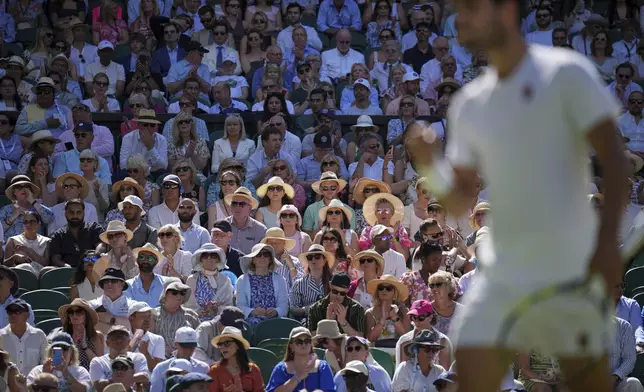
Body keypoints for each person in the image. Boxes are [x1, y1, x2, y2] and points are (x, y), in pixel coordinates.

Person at [265, 327, 335, 392]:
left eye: (307, 341)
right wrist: (297, 377)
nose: (303, 344)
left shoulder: (322, 367)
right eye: (299, 342)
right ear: (291, 346)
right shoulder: (281, 368)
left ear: (311, 344)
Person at [236, 244, 289, 327]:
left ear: (270, 260)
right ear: (253, 260)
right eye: (258, 255)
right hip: (251, 322)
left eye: (266, 255)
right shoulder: (242, 280)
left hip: (275, 320)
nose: (262, 257)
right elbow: (240, 305)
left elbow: (284, 304)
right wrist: (252, 311)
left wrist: (276, 311)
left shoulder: (280, 279)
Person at [88, 326, 149, 392]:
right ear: (107, 343)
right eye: (114, 337)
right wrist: (126, 378)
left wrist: (117, 379)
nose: (118, 340)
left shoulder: (138, 357)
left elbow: (143, 379)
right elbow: (98, 385)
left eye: (122, 337)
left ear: (128, 341)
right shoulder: (97, 361)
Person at [395, 299, 452, 370]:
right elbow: (401, 372)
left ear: (430, 317)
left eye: (421, 318)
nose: (416, 321)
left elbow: (445, 373)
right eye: (413, 317)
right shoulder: (404, 341)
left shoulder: (443, 340)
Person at [149, 327, 210, 392]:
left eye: (193, 345)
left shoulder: (203, 367)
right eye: (185, 346)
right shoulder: (160, 368)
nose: (190, 349)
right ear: (175, 344)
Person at [27, 331, 92, 391]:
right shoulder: (38, 370)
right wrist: (44, 375)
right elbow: (27, 389)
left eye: (65, 348)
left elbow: (84, 390)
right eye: (56, 348)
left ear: (72, 352)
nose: (61, 352)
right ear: (51, 351)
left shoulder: (80, 371)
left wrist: (66, 374)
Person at [150, 281, 201, 356]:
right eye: (174, 292)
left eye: (182, 293)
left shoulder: (191, 315)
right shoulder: (153, 314)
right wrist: (163, 348)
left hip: (187, 357)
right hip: (160, 357)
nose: (179, 296)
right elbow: (149, 339)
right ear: (165, 295)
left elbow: (199, 339)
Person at [185, 243, 234, 320]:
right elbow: (188, 306)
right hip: (196, 319)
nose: (209, 258)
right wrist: (203, 311)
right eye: (205, 256)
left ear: (218, 259)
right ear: (201, 260)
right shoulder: (192, 279)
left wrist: (216, 309)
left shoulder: (225, 281)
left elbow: (229, 305)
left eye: (213, 256)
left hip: (219, 320)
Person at [50, 199, 102, 268]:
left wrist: (95, 255)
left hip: (91, 266)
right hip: (68, 272)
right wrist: (67, 267)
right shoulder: (58, 234)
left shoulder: (94, 228)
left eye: (78, 212)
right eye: (71, 212)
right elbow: (55, 258)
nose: (75, 216)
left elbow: (101, 245)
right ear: (65, 214)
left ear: (83, 213)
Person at [0, 299, 48, 375]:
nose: (13, 315)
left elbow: (45, 363)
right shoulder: (1, 336)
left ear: (27, 316)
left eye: (17, 312)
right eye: (10, 312)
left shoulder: (39, 335)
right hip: (7, 385)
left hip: (32, 384)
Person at [208, 326, 264, 391]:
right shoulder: (214, 371)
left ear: (238, 345)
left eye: (227, 343)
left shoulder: (253, 369)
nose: (222, 347)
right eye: (220, 344)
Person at [360, 193, 410, 262]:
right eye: (379, 210)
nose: (383, 213)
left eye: (387, 210)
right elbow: (366, 257)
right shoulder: (367, 231)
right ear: (375, 214)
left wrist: (392, 236)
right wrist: (377, 235)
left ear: (392, 213)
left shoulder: (400, 230)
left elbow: (405, 257)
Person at [58, 298, 105, 370]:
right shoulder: (62, 336)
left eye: (78, 312)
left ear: (86, 316)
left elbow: (100, 365)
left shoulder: (96, 336)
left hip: (90, 377)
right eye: (70, 312)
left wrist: (85, 346)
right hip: (68, 375)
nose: (74, 315)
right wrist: (73, 344)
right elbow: (58, 364)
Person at [289, 244, 334, 320]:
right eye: (310, 258)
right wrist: (307, 309)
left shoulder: (333, 281)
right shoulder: (299, 283)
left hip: (330, 320)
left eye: (317, 257)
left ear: (324, 260)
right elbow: (293, 309)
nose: (313, 260)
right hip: (306, 322)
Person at [365, 274, 410, 342]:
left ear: (395, 293)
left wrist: (394, 318)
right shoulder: (370, 313)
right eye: (381, 288)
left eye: (389, 288)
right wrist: (382, 319)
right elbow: (371, 338)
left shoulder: (404, 312)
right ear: (377, 291)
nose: (384, 290)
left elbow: (405, 337)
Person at [124, 243, 171, 308]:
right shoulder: (128, 285)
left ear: (156, 262)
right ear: (137, 260)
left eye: (150, 258)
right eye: (142, 257)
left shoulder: (166, 283)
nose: (145, 261)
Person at [224, 187, 267, 254]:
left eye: (242, 204)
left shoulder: (261, 230)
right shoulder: (222, 226)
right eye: (234, 203)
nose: (237, 207)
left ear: (250, 208)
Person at [127, 302, 166, 371]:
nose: (147, 320)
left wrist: (146, 353)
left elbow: (155, 369)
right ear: (131, 319)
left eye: (149, 316)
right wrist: (136, 338)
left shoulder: (158, 339)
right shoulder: (121, 336)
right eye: (143, 316)